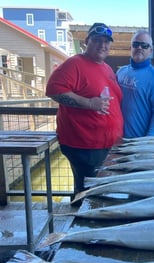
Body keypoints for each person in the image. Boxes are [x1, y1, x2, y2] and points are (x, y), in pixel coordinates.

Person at [46, 23, 123, 202]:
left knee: (98, 192)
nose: (102, 45)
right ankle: (81, 225)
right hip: (85, 144)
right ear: (87, 41)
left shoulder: (105, 67)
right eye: (97, 40)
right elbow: (53, 90)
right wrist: (89, 103)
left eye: (106, 41)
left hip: (105, 144)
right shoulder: (75, 63)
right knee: (89, 195)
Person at [116, 30, 154, 138]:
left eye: (144, 45)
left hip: (139, 144)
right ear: (130, 48)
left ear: (151, 51)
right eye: (136, 44)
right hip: (117, 140)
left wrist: (149, 140)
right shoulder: (120, 72)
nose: (139, 48)